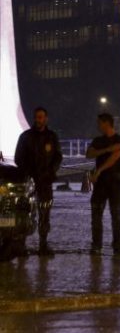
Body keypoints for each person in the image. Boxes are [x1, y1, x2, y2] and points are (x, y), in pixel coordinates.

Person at [14, 107, 62, 256]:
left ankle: (43, 244)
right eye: (36, 117)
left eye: (41, 117)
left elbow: (58, 157)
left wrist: (50, 172)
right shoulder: (25, 136)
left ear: (46, 118)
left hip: (45, 181)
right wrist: (29, 173)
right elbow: (18, 158)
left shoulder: (52, 137)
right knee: (24, 213)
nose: (38, 119)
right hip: (28, 182)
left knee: (45, 213)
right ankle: (21, 246)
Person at [85, 113, 120, 256]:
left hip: (114, 181)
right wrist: (107, 149)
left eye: (100, 123)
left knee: (116, 214)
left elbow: (114, 158)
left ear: (106, 123)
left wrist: (99, 170)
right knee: (96, 214)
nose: (98, 126)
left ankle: (118, 245)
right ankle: (97, 245)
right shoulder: (99, 140)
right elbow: (89, 154)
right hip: (101, 183)